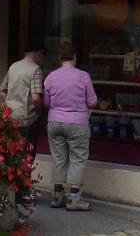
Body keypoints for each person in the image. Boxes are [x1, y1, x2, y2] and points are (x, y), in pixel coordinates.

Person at [43, 41, 97, 211]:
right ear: (74, 56)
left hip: (54, 122)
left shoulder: (51, 76)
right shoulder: (83, 76)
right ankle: (74, 199)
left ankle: (57, 196)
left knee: (59, 159)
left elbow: (46, 101)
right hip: (77, 123)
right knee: (78, 158)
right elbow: (92, 101)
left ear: (59, 58)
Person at [0, 40, 46, 161]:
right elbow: (36, 98)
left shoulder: (13, 66)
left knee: (11, 156)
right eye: (43, 54)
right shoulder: (36, 70)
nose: (43, 57)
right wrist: (40, 112)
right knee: (26, 157)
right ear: (38, 53)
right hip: (27, 120)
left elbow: (2, 90)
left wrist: (9, 103)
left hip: (11, 117)